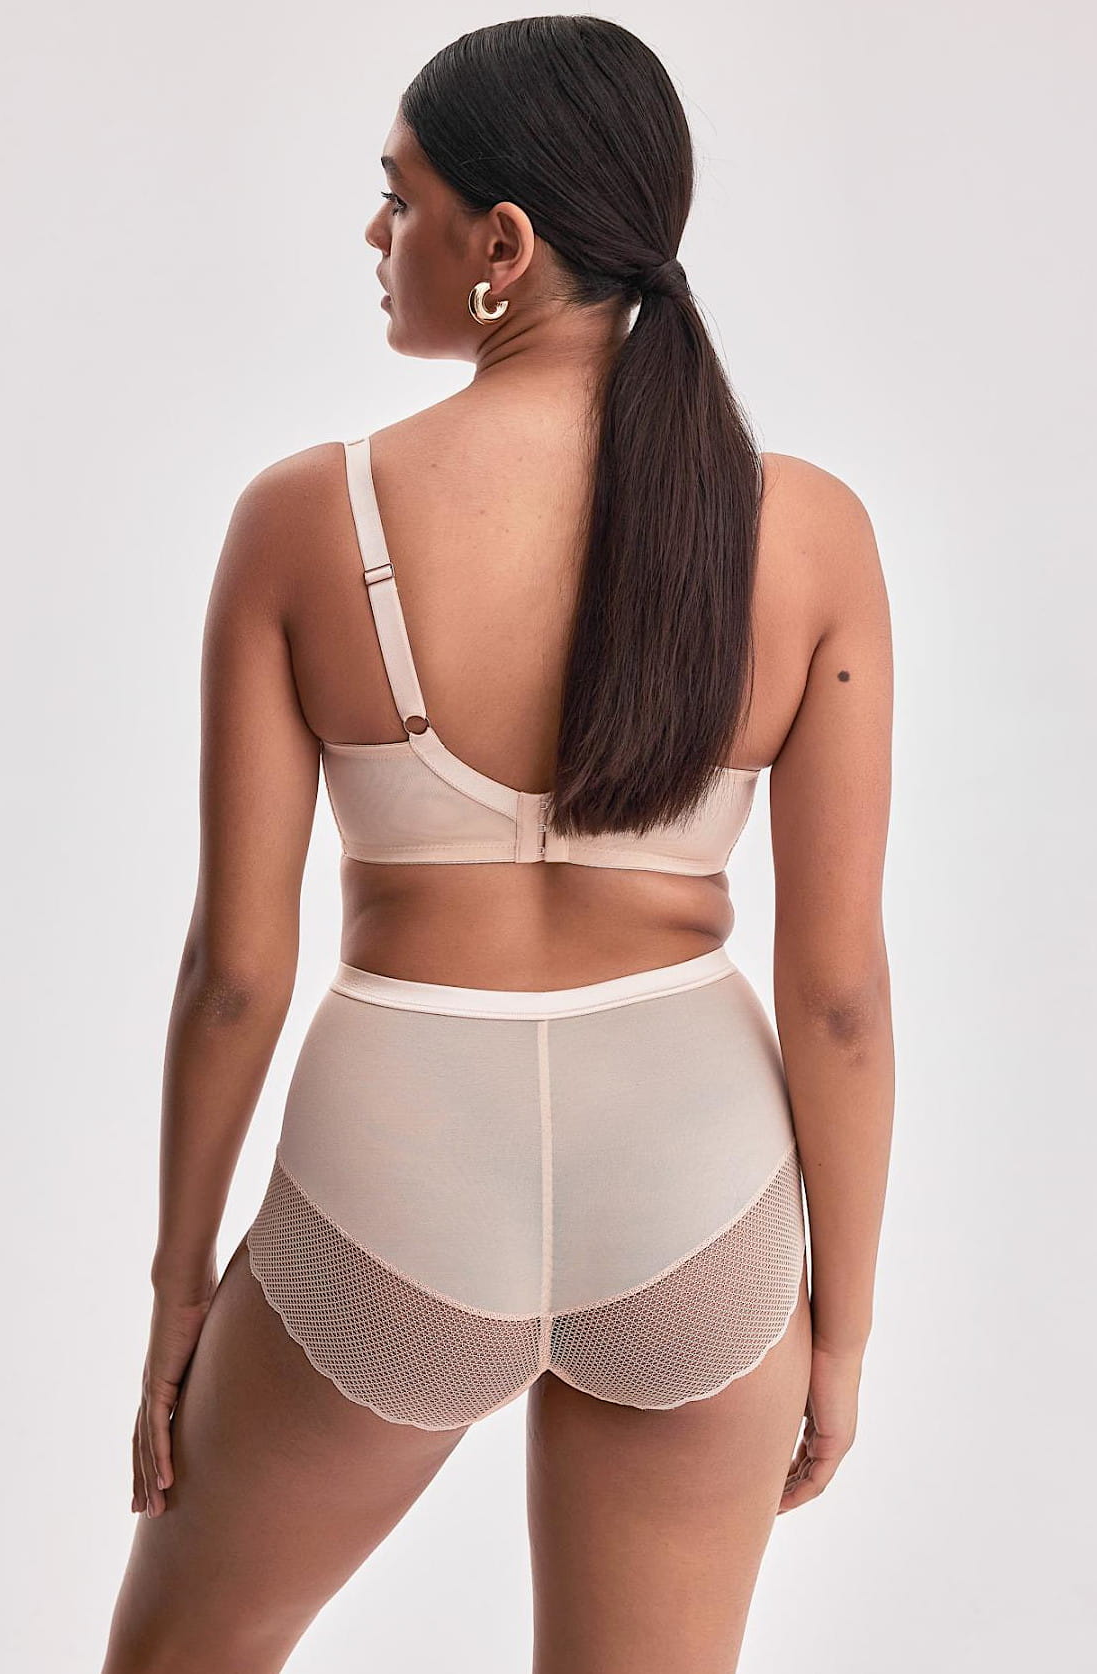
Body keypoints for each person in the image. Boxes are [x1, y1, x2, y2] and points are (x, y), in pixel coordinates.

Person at [100, 16, 894, 1674]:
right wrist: (842, 1326)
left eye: (401, 197)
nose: (375, 230)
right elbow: (837, 1000)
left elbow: (234, 973)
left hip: (399, 1162)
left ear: (503, 245)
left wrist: (179, 1290)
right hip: (698, 1175)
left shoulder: (305, 519)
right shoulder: (806, 531)